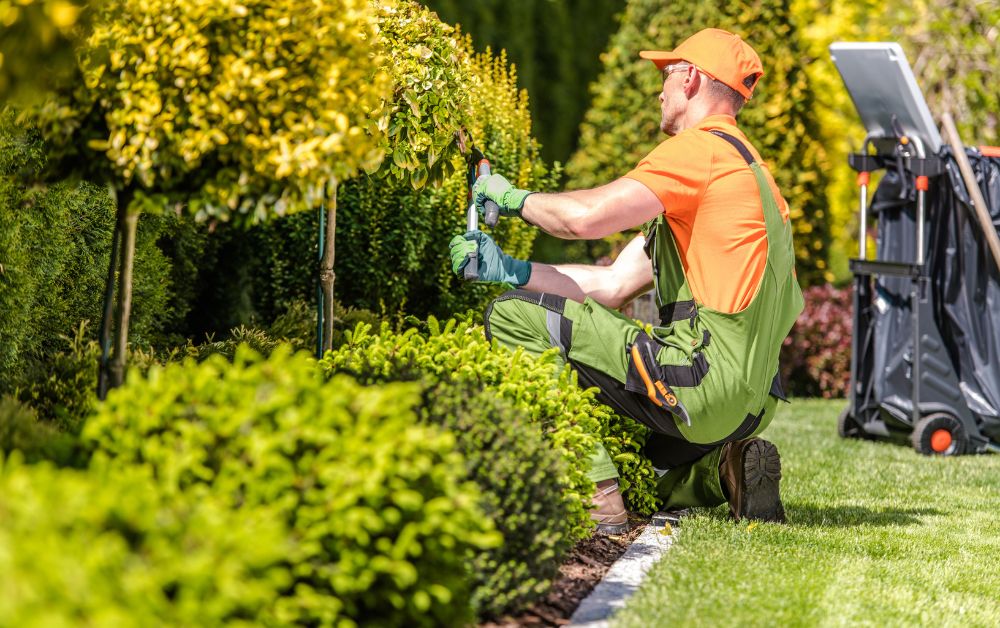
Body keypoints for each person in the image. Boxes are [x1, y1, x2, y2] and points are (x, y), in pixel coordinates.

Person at [449, 28, 804, 533]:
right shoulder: (751, 176)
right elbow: (613, 284)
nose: (659, 89)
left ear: (692, 79)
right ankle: (721, 473)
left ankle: (595, 497)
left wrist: (511, 197)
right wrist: (508, 269)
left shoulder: (699, 151)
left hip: (701, 382)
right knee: (632, 454)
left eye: (666, 74)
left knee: (510, 316)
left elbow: (583, 219)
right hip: (750, 404)